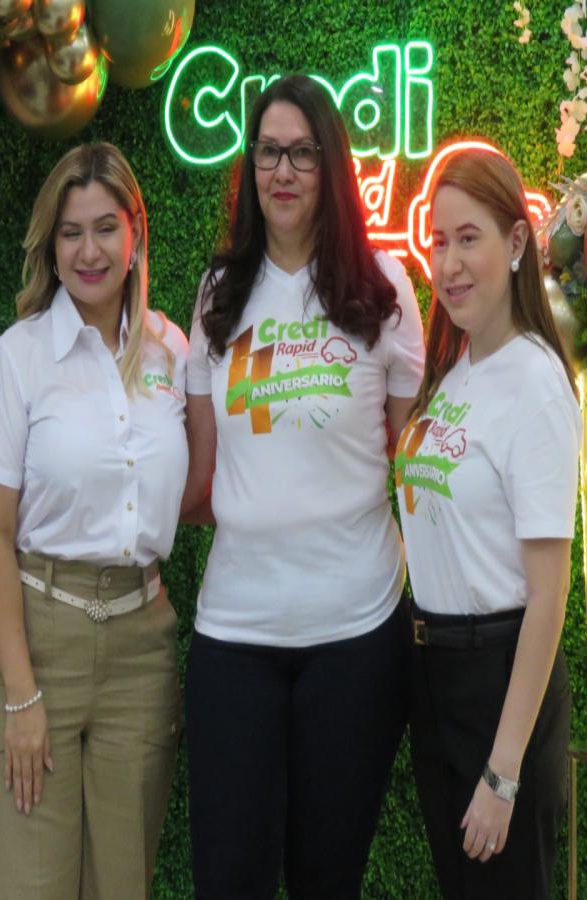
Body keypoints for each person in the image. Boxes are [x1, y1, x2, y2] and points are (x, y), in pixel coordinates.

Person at [182, 74, 426, 899]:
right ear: (250, 168)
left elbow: (407, 459)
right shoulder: (220, 294)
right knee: (229, 880)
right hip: (234, 634)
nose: (282, 171)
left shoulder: (385, 293)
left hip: (354, 637)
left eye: (302, 153)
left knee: (328, 881)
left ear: (331, 167)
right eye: (267, 152)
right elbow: (203, 470)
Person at [0, 142, 188, 899]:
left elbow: (190, 488)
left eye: (104, 228)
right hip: (40, 644)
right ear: (50, 247)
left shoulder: (170, 352)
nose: (89, 250)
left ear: (135, 236)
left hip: (140, 654)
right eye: (70, 232)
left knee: (124, 886)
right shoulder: (19, 358)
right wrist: (21, 693)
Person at [393, 146, 580, 899]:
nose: (449, 263)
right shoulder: (458, 371)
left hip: (499, 682)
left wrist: (503, 775)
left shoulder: (534, 382)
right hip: (436, 675)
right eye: (438, 242)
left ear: (516, 242)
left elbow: (548, 595)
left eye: (468, 238)